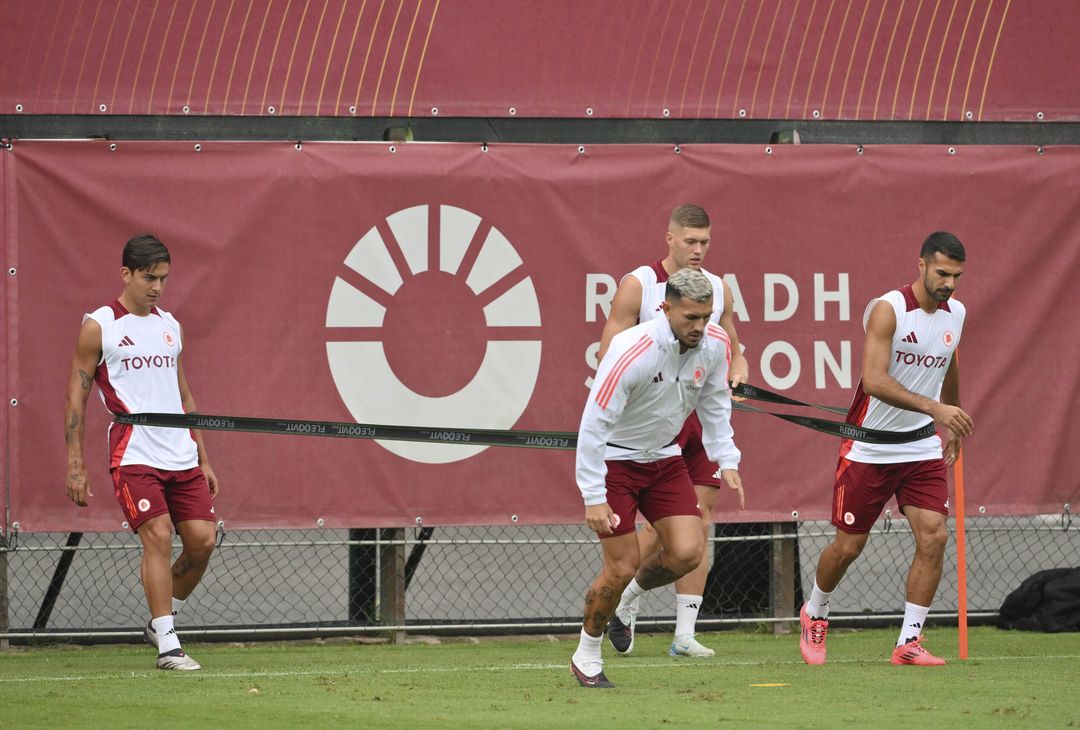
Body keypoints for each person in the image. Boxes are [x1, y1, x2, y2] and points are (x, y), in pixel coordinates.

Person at [799, 231, 973, 666]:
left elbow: (948, 362)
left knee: (934, 535)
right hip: (869, 447)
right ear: (921, 265)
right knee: (848, 547)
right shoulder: (888, 310)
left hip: (920, 447)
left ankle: (908, 643)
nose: (949, 283)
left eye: (956, 276)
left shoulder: (956, 314)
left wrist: (950, 415)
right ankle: (815, 610)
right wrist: (935, 407)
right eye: (942, 273)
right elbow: (874, 381)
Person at [571, 268, 743, 687]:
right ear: (665, 309)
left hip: (665, 460)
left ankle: (628, 602)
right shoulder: (633, 350)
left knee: (689, 552)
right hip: (615, 463)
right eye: (690, 318)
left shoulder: (714, 343)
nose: (699, 327)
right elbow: (592, 427)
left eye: (705, 317)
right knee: (622, 565)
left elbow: (717, 401)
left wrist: (727, 456)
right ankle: (586, 653)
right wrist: (593, 496)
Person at [599, 204, 748, 658]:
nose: (698, 249)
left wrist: (738, 366)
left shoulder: (718, 289)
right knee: (662, 530)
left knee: (698, 522)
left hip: (694, 414)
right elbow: (611, 352)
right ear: (669, 238)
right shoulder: (639, 284)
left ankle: (683, 633)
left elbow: (732, 343)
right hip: (646, 423)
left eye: (705, 241)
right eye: (690, 241)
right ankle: (625, 599)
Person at [64, 233, 219, 671]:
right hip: (134, 453)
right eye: (148, 277)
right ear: (126, 274)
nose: (156, 287)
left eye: (164, 279)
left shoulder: (171, 327)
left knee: (203, 542)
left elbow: (184, 396)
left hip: (182, 454)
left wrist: (203, 457)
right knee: (158, 535)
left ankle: (160, 618)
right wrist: (75, 464)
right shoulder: (99, 326)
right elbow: (75, 398)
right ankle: (168, 642)